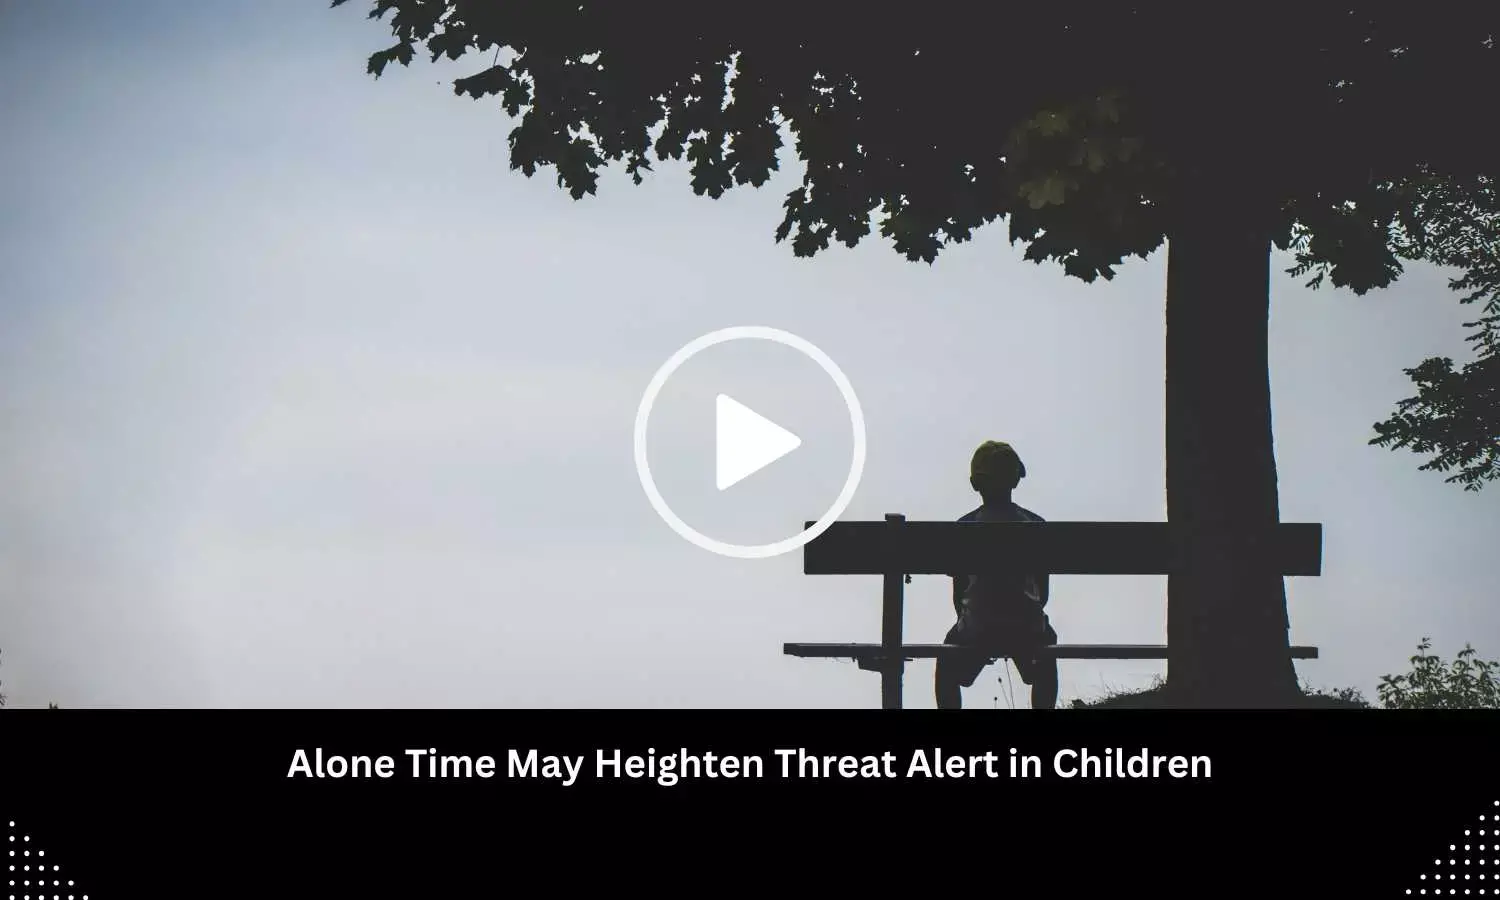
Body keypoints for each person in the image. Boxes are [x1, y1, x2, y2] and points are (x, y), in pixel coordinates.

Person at [935, 440, 1060, 710]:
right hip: (1027, 625)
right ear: (1015, 480)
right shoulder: (1036, 526)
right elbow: (1043, 593)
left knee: (946, 660)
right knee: (1046, 648)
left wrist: (973, 620)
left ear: (975, 483)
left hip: (978, 624)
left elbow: (958, 594)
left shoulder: (963, 529)